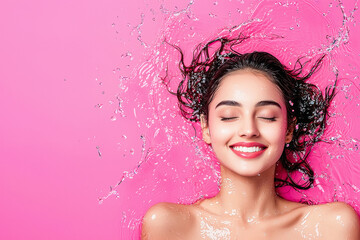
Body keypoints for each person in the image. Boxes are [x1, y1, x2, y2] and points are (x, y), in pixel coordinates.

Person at [141, 36, 360, 239]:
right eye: (229, 117)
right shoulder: (170, 225)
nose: (249, 130)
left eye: (267, 117)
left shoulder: (330, 227)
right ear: (206, 127)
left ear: (289, 129)